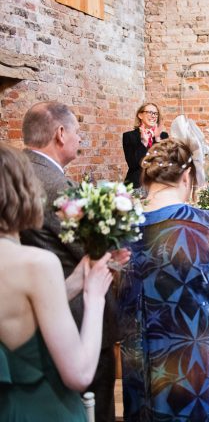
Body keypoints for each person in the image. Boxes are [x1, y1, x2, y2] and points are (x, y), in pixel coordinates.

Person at [117, 119, 209, 422]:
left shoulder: (120, 228)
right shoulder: (208, 224)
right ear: (187, 176)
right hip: (196, 374)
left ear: (146, 178)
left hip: (143, 370)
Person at [19, 101, 121, 422]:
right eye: (78, 132)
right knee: (96, 405)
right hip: (74, 311)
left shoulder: (18, 170)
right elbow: (90, 247)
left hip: (33, 305)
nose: (81, 139)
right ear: (60, 133)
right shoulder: (56, 186)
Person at [0, 143, 114, 421]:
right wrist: (95, 296)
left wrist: (76, 280)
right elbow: (80, 374)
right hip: (43, 408)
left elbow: (18, 314)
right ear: (22, 192)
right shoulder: (36, 263)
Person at [122, 102, 168, 190]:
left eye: (155, 113)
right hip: (136, 185)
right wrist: (143, 143)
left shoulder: (163, 136)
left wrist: (158, 140)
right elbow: (133, 164)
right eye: (150, 112)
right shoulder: (129, 136)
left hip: (158, 184)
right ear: (140, 115)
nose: (154, 116)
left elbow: (165, 162)